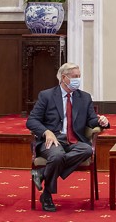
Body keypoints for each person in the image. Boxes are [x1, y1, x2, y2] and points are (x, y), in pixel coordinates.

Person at [26, 62, 109, 212]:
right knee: (56, 156)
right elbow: (32, 121)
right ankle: (47, 195)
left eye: (79, 76)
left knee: (86, 150)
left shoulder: (84, 97)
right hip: (53, 140)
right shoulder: (47, 95)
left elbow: (91, 120)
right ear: (64, 78)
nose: (78, 79)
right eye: (75, 77)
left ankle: (42, 173)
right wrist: (46, 132)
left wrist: (100, 121)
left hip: (74, 140)